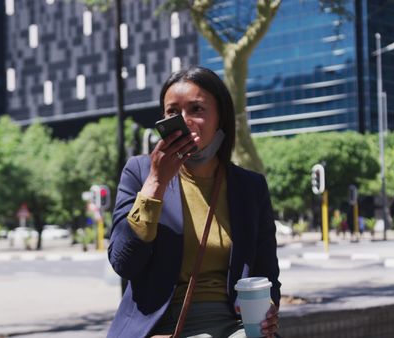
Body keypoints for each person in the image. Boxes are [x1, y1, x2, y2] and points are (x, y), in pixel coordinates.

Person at [107, 66, 281, 338]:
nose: (184, 120)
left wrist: (268, 308)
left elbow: (266, 272)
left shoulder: (250, 187)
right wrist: (156, 183)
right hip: (160, 325)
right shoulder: (139, 172)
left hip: (235, 324)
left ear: (219, 118)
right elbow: (123, 263)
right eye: (172, 112)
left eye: (196, 109)